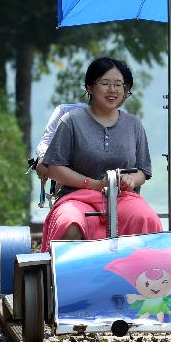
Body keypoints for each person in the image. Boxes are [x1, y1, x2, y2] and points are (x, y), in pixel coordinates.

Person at [41, 57, 161, 251]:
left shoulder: (134, 124)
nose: (112, 90)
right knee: (69, 223)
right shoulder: (71, 121)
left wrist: (131, 180)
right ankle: (69, 279)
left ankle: (142, 279)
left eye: (118, 85)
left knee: (145, 218)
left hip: (122, 197)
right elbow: (54, 169)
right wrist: (94, 184)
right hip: (76, 197)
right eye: (105, 83)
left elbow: (143, 171)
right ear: (90, 87)